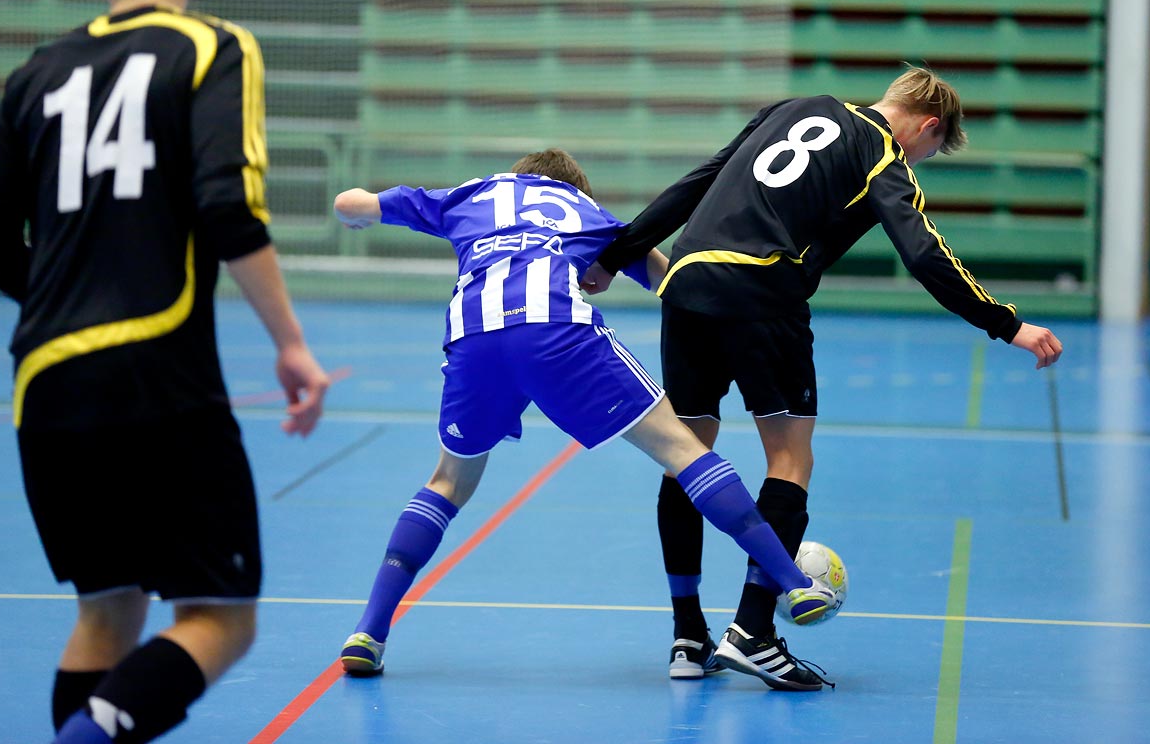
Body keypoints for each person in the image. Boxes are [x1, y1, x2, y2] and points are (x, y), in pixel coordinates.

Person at [0, 0, 330, 744]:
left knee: (108, 612)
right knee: (222, 617)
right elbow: (225, 206)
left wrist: (63, 292)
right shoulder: (213, 49)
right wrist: (291, 346)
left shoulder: (35, 73)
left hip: (46, 380)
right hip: (155, 373)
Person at [583, 66, 1063, 689]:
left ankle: (686, 634)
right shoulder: (881, 152)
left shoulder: (795, 106)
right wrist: (1007, 325)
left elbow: (700, 181)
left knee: (687, 455)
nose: (921, 159)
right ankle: (753, 630)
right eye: (930, 150)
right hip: (763, 293)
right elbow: (922, 253)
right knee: (790, 460)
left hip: (690, 279)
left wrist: (617, 254)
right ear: (928, 126)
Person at [330, 148, 840, 691]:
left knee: (447, 482)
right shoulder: (586, 212)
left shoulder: (471, 194)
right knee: (683, 450)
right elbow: (668, 277)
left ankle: (369, 632)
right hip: (557, 333)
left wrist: (358, 213)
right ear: (577, 187)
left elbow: (349, 203)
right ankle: (793, 583)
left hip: (473, 338)